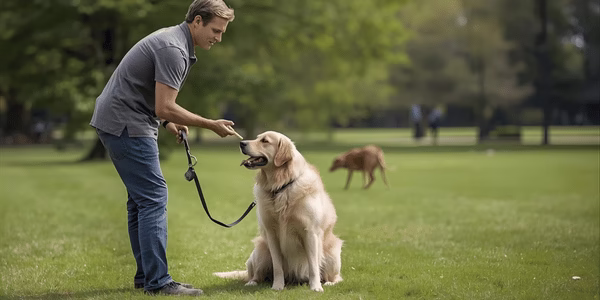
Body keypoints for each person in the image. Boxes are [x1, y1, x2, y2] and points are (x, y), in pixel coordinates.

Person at [89, 0, 237, 296]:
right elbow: (165, 105)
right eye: (216, 30)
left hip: (119, 120)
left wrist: (169, 123)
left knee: (141, 201)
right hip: (126, 124)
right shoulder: (174, 50)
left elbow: (150, 97)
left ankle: (146, 277)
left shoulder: (174, 41)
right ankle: (158, 282)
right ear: (197, 21)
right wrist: (209, 124)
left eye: (222, 33)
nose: (218, 38)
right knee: (154, 198)